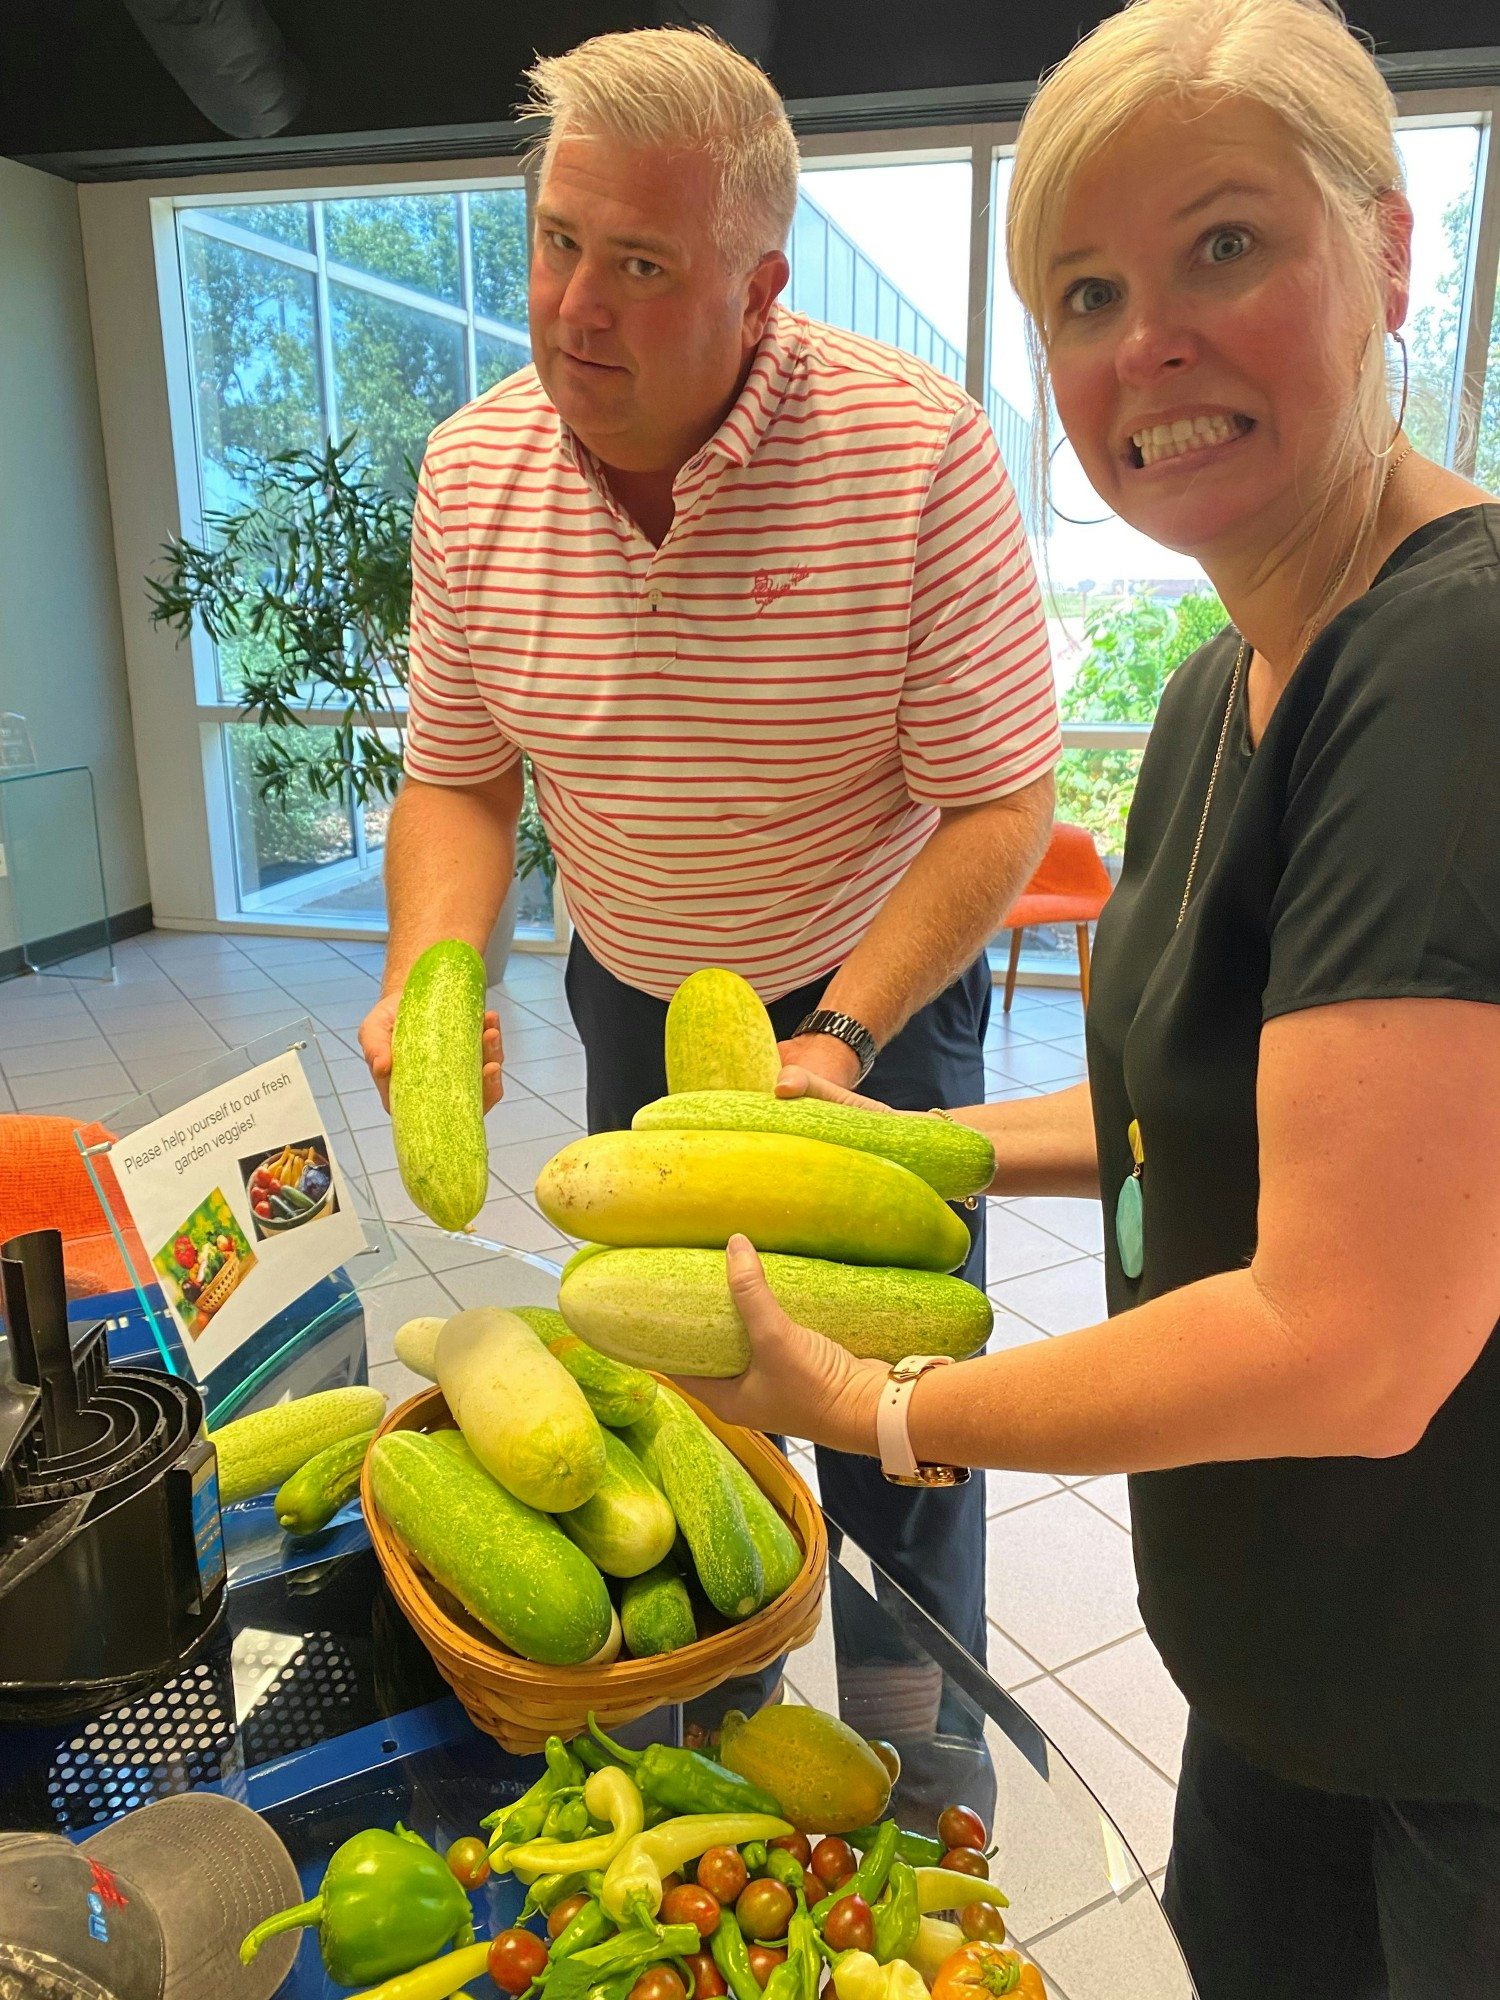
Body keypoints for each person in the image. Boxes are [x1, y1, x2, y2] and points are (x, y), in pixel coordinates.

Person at [677, 2, 1500, 1994]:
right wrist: (909, 1142)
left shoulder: (1453, 672)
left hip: (1458, 1719)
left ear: (1389, 254)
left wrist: (884, 1403)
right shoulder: (1228, 683)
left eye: (1227, 247)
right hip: (1289, 1666)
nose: (1149, 345)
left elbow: (1356, 1336)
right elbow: (1183, 1103)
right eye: (1086, 293)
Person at [359, 27, 1058, 1673]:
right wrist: (429, 974)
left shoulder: (918, 454)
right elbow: (460, 784)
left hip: (870, 989)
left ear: (758, 292)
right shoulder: (472, 471)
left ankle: (915, 1757)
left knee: (894, 1420)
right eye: (557, 240)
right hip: (635, 985)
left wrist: (846, 1033)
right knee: (675, 1418)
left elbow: (1000, 801)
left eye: (642, 263)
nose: (572, 305)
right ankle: (718, 1739)